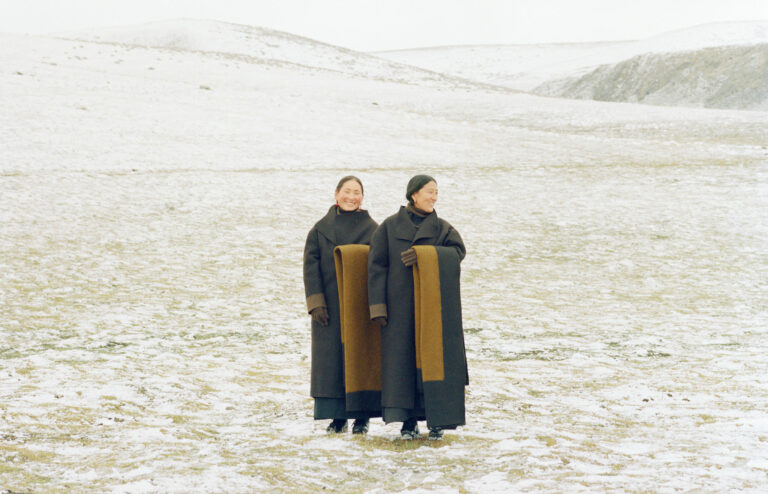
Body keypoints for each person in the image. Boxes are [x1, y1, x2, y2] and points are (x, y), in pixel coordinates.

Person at [367, 175, 466, 440]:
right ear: (414, 195)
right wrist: (377, 307)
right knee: (403, 367)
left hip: (433, 312)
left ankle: (437, 421)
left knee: (434, 364)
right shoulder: (388, 227)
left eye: (436, 192)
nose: (434, 197)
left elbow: (458, 252)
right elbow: (376, 267)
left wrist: (427, 256)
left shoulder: (443, 229)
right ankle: (408, 422)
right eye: (429, 192)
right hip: (398, 313)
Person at [303, 176, 378, 434]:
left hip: (361, 309)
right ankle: (337, 416)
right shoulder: (319, 230)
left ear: (362, 198)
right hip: (330, 310)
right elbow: (310, 268)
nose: (351, 196)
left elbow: (380, 269)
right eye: (347, 191)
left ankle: (362, 416)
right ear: (336, 195)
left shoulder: (373, 230)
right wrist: (316, 304)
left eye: (357, 192)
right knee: (333, 362)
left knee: (360, 362)